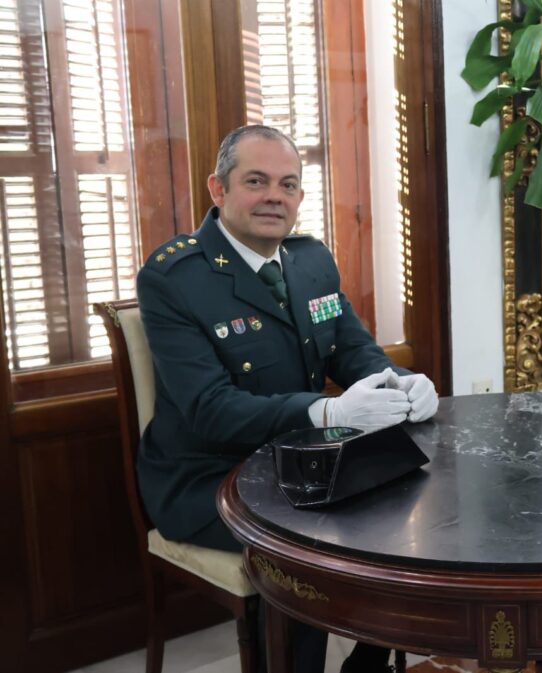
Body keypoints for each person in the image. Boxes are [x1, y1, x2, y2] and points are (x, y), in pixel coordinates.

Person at [137, 125, 436, 673]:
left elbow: (352, 350)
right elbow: (208, 409)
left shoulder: (310, 261)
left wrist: (399, 381)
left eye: (288, 184)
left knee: (413, 498)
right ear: (218, 190)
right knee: (312, 541)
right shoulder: (175, 278)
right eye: (256, 181)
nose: (275, 195)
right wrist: (327, 411)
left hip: (301, 460)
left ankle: (367, 664)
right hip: (209, 477)